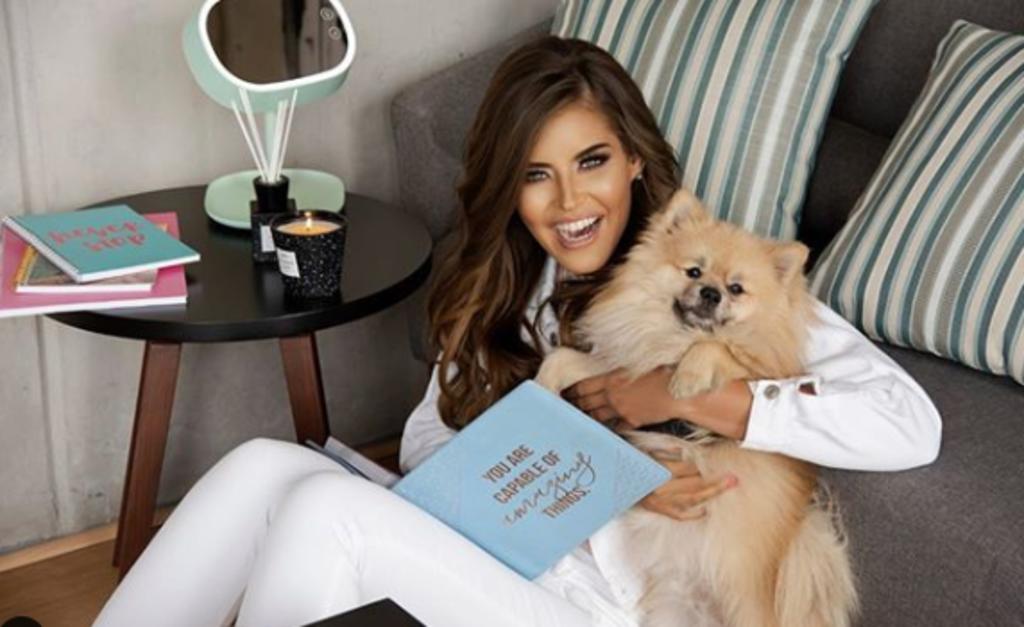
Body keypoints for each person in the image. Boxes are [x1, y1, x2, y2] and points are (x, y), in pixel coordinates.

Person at [93, 36, 942, 627]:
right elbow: (427, 437)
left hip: (598, 603)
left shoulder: (712, 278)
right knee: (261, 464)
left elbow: (910, 423)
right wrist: (581, 461)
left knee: (325, 510)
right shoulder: (515, 284)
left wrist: (695, 401)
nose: (570, 203)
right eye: (537, 175)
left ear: (634, 159)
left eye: (592, 162)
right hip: (496, 553)